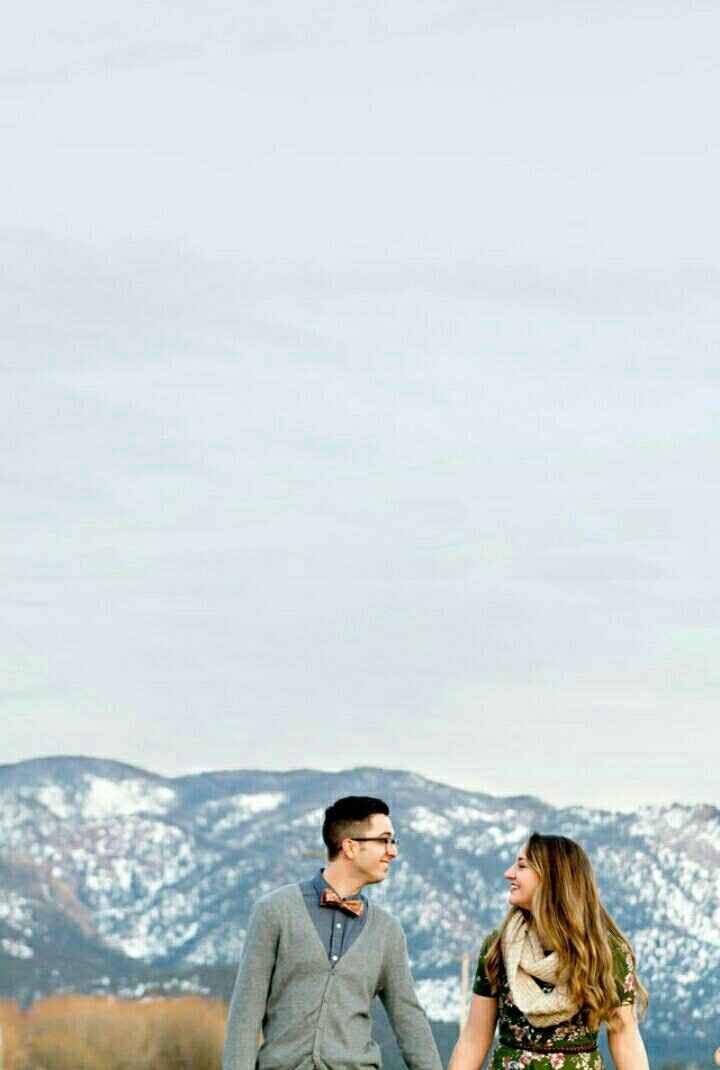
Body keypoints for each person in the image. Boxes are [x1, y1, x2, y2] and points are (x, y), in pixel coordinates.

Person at [223, 795, 442, 1070]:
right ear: (350, 847)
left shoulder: (387, 931)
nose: (392, 851)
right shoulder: (274, 910)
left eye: (392, 842)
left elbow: (410, 1021)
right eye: (384, 840)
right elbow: (245, 1013)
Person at [449, 833, 650, 1070]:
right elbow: (475, 1036)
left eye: (521, 866)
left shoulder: (605, 952)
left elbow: (624, 1034)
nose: (509, 873)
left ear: (550, 877)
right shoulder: (498, 946)